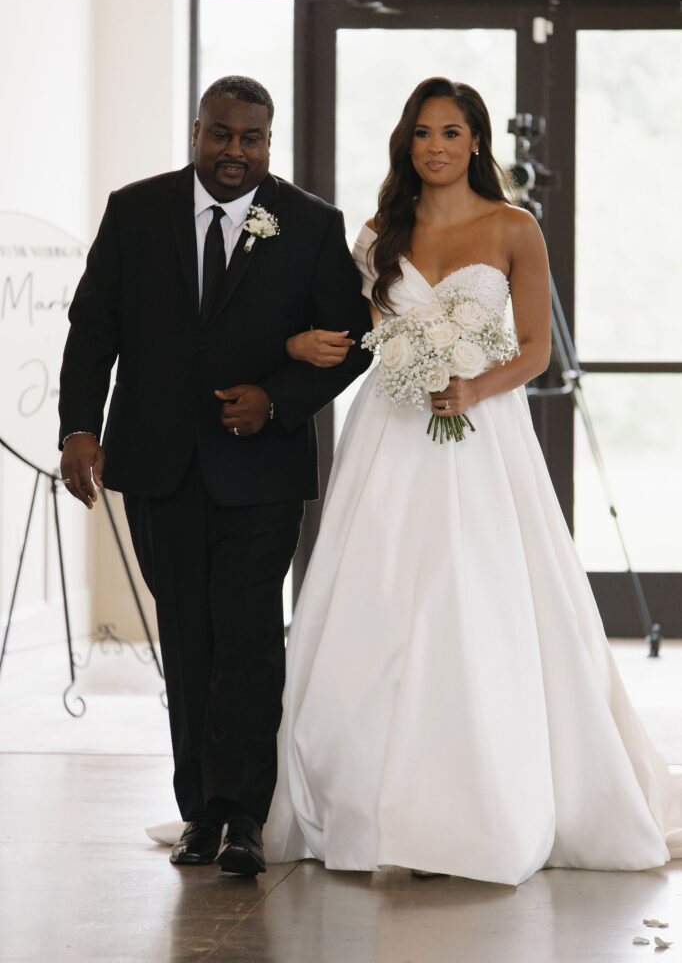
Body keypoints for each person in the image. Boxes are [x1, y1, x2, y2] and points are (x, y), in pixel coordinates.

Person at [261, 77, 682, 884]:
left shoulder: (515, 227)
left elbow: (534, 349)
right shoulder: (382, 232)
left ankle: (483, 800)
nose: (436, 147)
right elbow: (363, 333)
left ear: (477, 142)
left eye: (452, 132)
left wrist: (469, 387)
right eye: (422, 133)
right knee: (378, 596)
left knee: (475, 595)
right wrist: (311, 346)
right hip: (389, 433)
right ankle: (361, 797)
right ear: (406, 143)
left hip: (481, 435)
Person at [58, 75, 372, 876]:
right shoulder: (135, 210)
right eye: (221, 135)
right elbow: (93, 329)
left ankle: (242, 818)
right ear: (197, 131)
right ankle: (198, 812)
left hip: (261, 470)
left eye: (252, 139)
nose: (236, 152)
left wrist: (277, 399)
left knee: (249, 640)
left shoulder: (310, 223)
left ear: (272, 141)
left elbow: (351, 338)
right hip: (157, 463)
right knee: (189, 639)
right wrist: (79, 429)